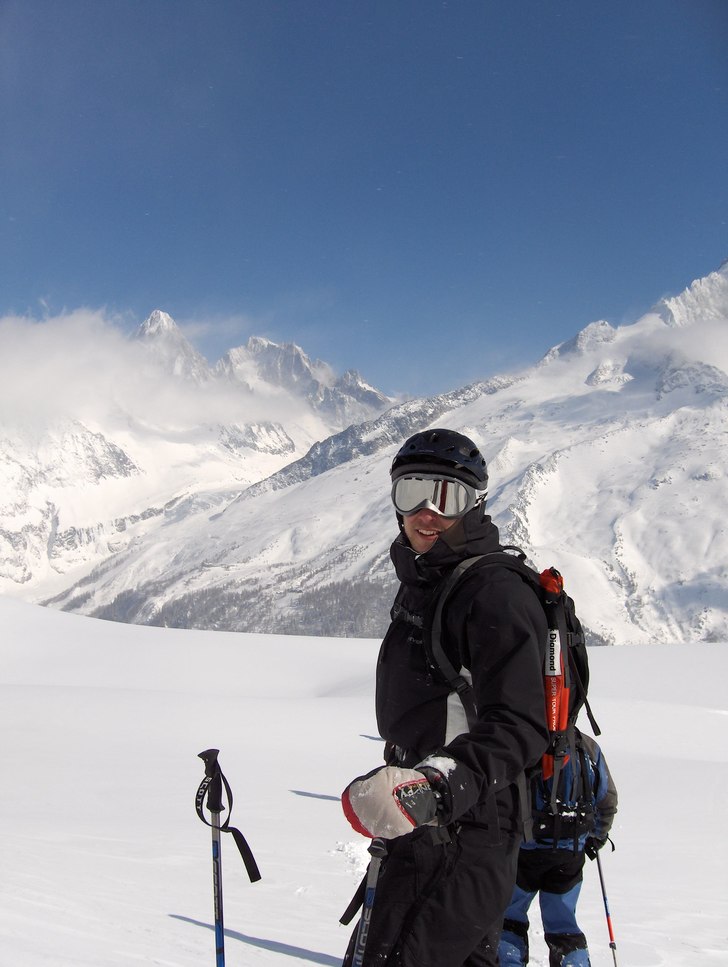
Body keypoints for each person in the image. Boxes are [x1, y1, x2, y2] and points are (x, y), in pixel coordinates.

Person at [340, 427, 550, 967]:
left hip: (465, 827)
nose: (427, 512)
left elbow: (521, 725)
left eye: (447, 495)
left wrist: (435, 785)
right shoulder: (430, 579)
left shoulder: (494, 593)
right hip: (423, 818)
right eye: (411, 492)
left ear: (474, 504)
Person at [498, 730, 618, 967]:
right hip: (569, 852)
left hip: (523, 851)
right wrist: (596, 836)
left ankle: (507, 961)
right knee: (564, 927)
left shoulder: (523, 738)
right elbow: (607, 800)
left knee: (509, 919)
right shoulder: (587, 746)